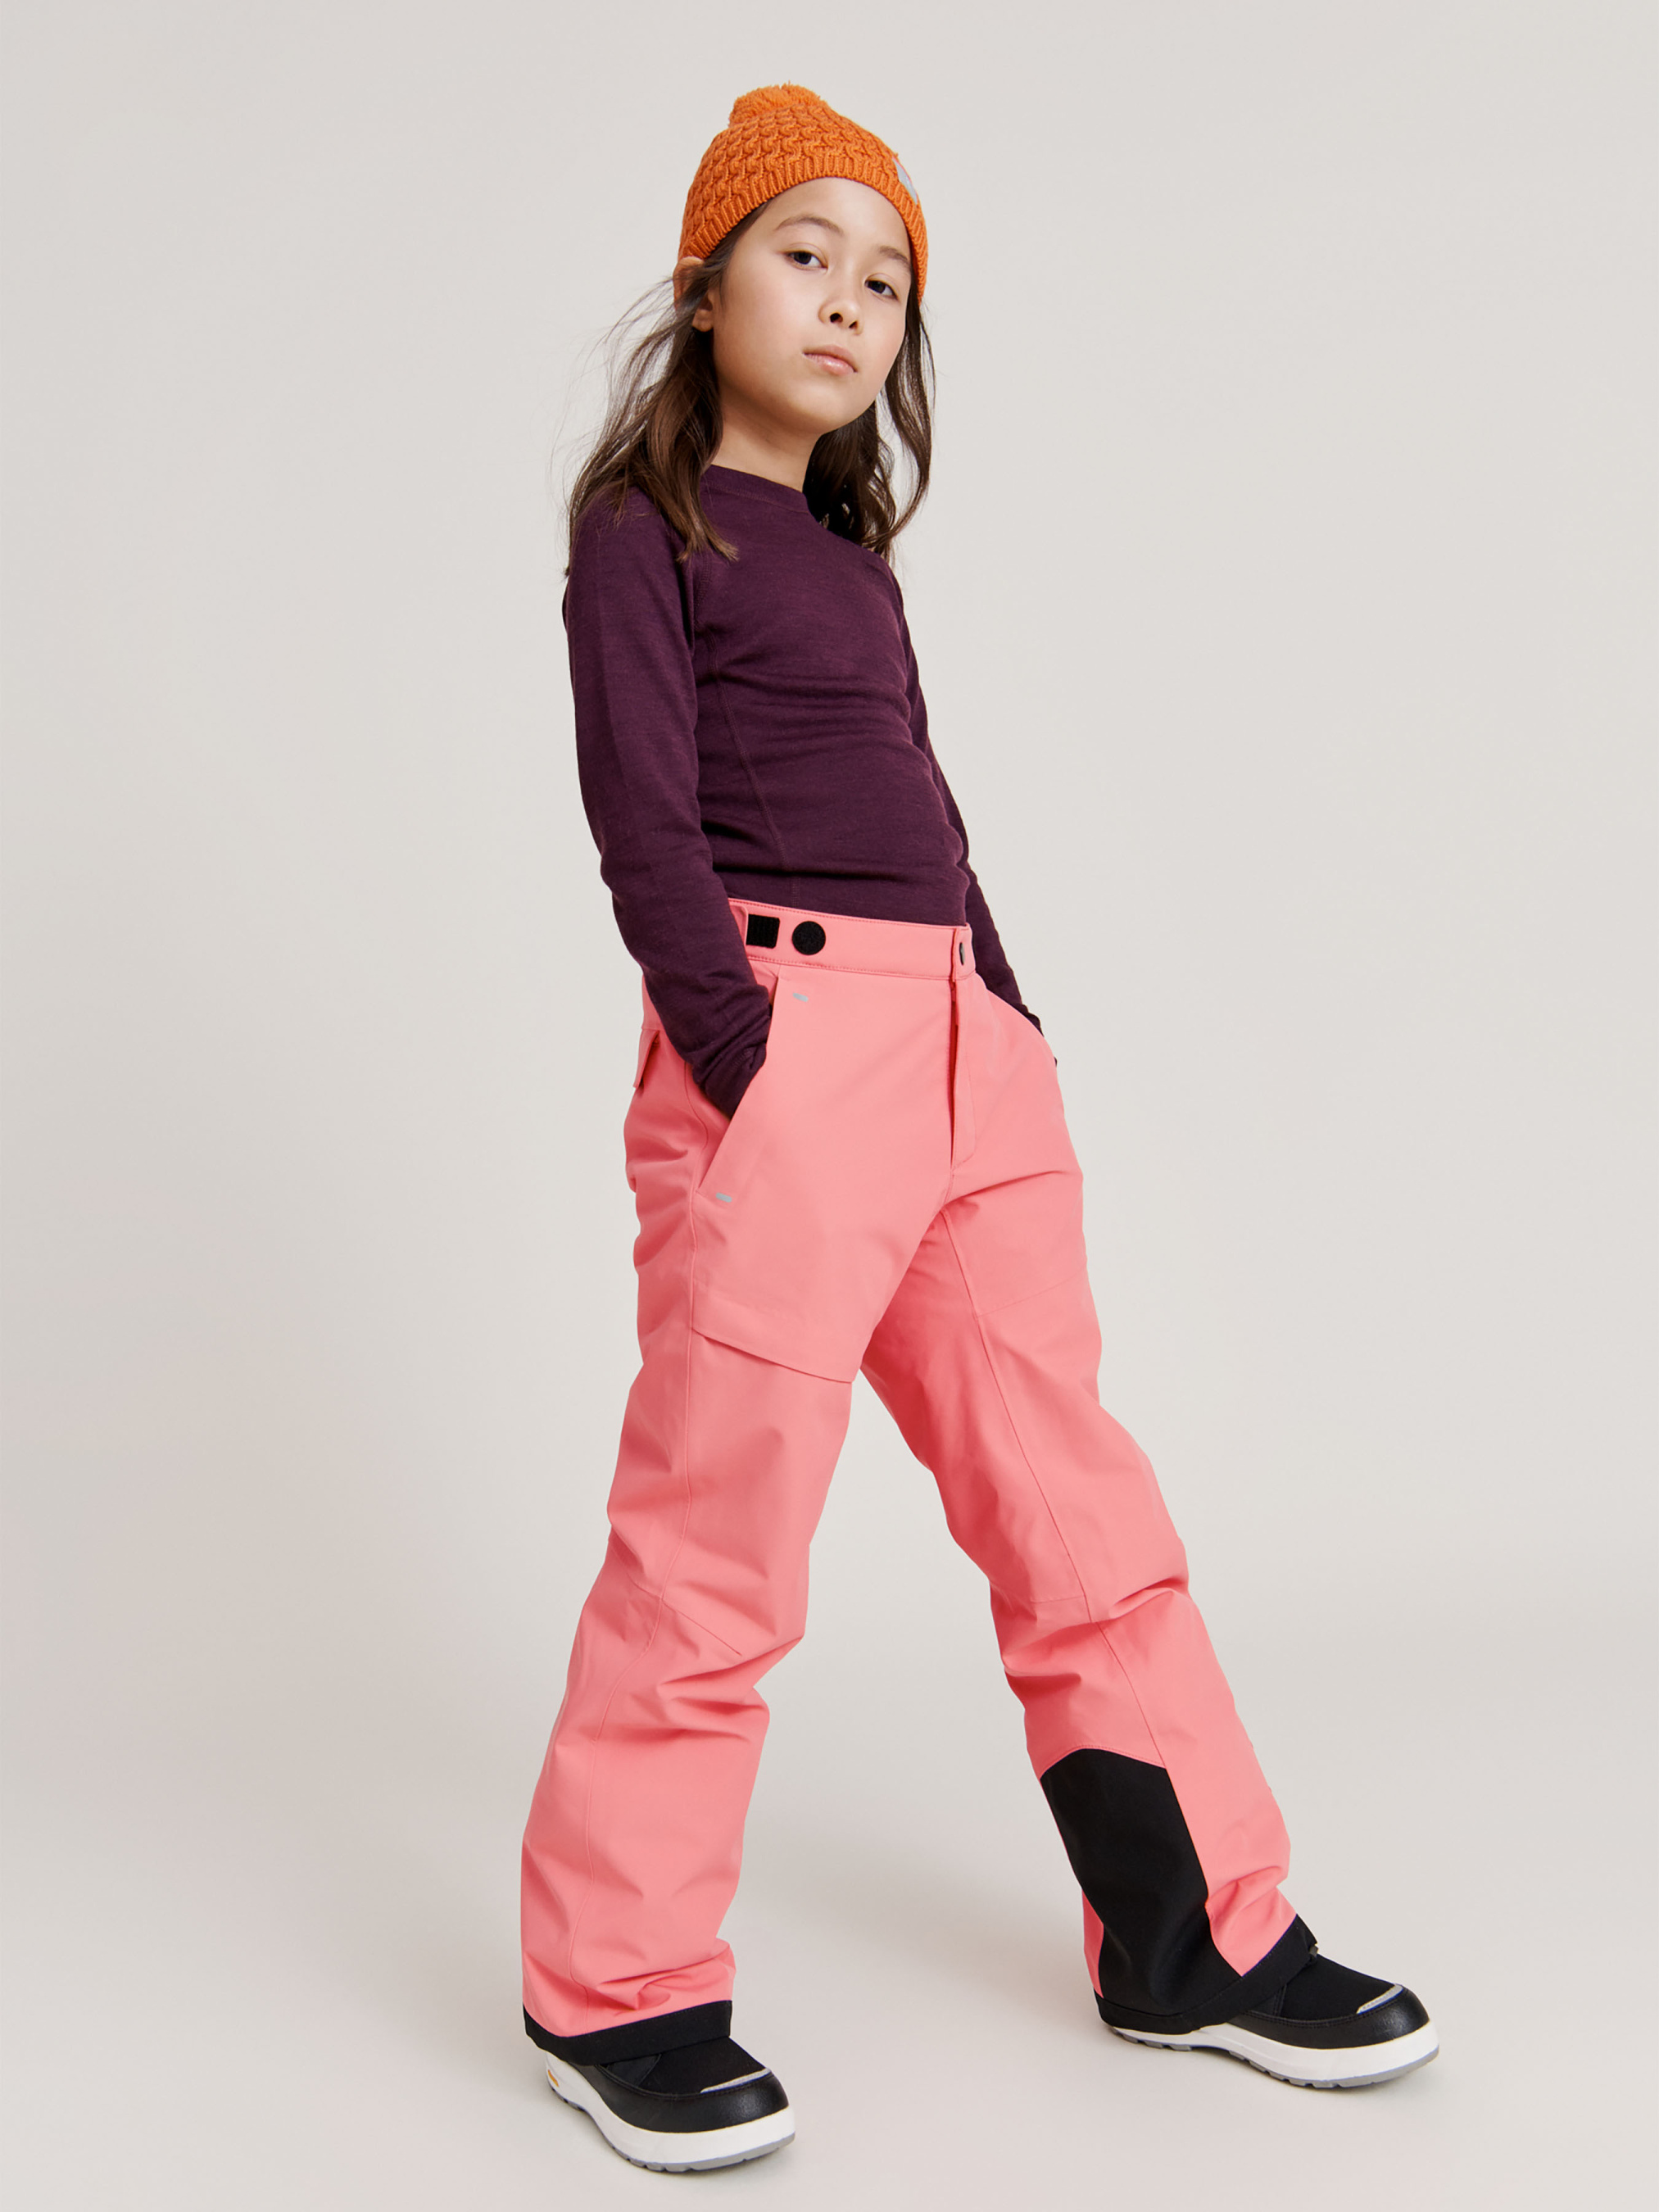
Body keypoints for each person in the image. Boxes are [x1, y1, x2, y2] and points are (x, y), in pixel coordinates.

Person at [519, 82, 1436, 2174]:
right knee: (715, 1540)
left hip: (957, 1055)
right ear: (707, 284)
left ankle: (1196, 1940)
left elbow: (923, 802)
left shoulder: (849, 559)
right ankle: (614, 1986)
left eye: (884, 278)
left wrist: (1001, 1018)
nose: (847, 301)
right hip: (783, 1050)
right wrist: (748, 1060)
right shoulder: (644, 534)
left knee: (1078, 1516)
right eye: (803, 253)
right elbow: (640, 827)